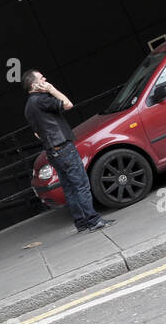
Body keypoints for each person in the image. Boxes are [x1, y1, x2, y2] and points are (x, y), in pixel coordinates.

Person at [23, 68, 113, 233]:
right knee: (81, 184)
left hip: (52, 151)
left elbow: (37, 134)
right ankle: (93, 220)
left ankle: (81, 222)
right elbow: (68, 104)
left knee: (69, 188)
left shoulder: (28, 106)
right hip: (63, 147)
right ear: (35, 84)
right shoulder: (41, 100)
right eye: (42, 78)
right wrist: (52, 89)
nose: (46, 80)